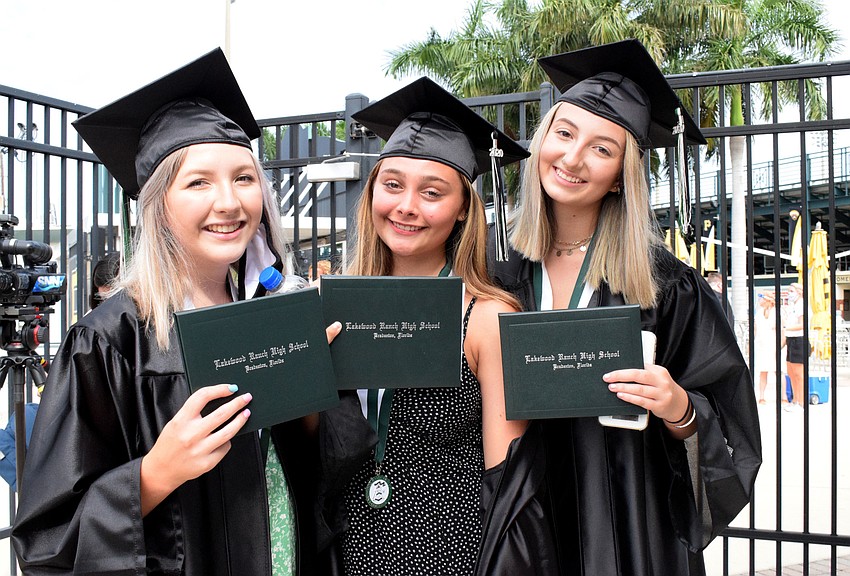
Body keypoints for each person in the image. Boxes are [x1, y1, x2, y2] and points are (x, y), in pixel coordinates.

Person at [12, 49, 336, 575]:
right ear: (158, 205)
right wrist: (156, 474)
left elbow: (311, 475)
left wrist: (318, 387)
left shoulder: (274, 314)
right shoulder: (109, 341)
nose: (229, 202)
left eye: (244, 178)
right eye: (198, 182)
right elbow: (47, 543)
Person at [484, 40, 762, 575]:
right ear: (542, 140)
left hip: (630, 527)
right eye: (564, 134)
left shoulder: (665, 285)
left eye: (602, 148)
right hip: (518, 522)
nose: (572, 158)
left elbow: (729, 423)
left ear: (621, 176)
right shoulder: (496, 269)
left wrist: (679, 409)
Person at [316, 77, 529, 575]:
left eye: (432, 192)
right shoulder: (333, 307)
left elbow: (507, 480)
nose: (407, 206)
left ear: (463, 209)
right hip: (348, 547)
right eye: (392, 185)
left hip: (448, 552)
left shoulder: (487, 318)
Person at [753, 292, 781, 404]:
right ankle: (761, 396)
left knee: (778, 371)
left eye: (761, 298)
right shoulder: (759, 312)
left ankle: (782, 396)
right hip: (761, 344)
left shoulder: (776, 312)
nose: (759, 300)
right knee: (762, 371)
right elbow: (755, 329)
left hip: (772, 343)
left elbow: (779, 329)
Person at [784, 282, 808, 411]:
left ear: (799, 292)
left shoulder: (802, 305)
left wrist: (786, 327)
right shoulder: (792, 306)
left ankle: (801, 402)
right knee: (791, 372)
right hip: (790, 339)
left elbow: (802, 324)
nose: (789, 293)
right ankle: (795, 400)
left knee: (799, 374)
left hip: (799, 340)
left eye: (791, 291)